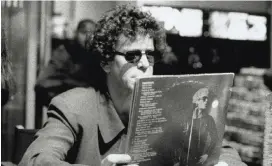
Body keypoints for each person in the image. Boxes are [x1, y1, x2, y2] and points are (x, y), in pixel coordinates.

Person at [19, 5, 246, 166]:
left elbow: (227, 154)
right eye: (132, 55)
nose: (145, 63)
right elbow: (35, 160)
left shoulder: (175, 105)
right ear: (106, 62)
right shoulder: (74, 106)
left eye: (150, 54)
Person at [35, 19, 96, 106]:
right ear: (76, 33)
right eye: (84, 32)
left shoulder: (97, 55)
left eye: (92, 34)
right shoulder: (64, 52)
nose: (88, 37)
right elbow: (42, 84)